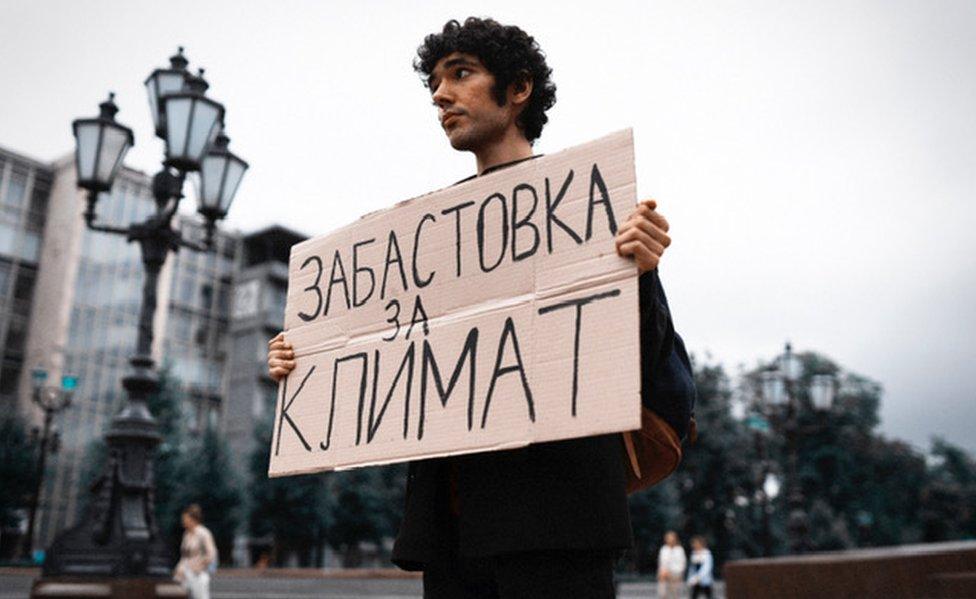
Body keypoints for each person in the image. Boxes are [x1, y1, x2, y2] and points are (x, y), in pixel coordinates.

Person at [267, 17, 696, 598]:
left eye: (461, 74)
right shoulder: (434, 240)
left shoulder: (588, 210)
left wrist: (641, 273)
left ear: (518, 89)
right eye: (435, 84)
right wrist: (305, 361)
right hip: (452, 531)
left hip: (555, 526)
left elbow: (639, 360)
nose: (441, 95)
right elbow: (389, 355)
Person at [173, 504, 217, 599]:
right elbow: (185, 555)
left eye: (185, 518)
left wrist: (200, 566)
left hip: (197, 574)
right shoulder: (186, 534)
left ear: (193, 519)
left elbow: (211, 554)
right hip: (185, 572)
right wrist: (180, 567)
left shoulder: (203, 533)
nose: (183, 521)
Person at [656, 531, 687, 599]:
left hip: (676, 573)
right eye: (668, 538)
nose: (670, 540)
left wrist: (674, 573)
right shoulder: (664, 549)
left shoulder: (679, 550)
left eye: (671, 538)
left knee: (674, 592)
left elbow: (682, 564)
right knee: (662, 581)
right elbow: (662, 563)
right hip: (665, 573)